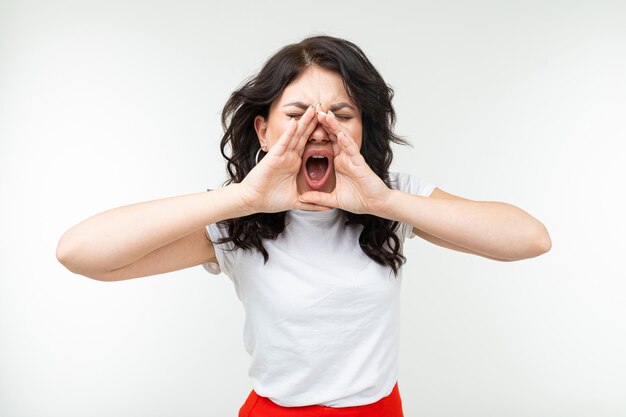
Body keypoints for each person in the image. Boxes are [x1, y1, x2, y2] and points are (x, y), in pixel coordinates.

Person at [56, 35, 552, 416]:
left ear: (362, 128)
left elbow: (530, 239)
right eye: (296, 114)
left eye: (341, 114)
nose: (319, 127)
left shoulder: (393, 199)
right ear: (263, 129)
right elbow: (79, 253)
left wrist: (386, 200)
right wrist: (243, 196)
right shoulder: (236, 219)